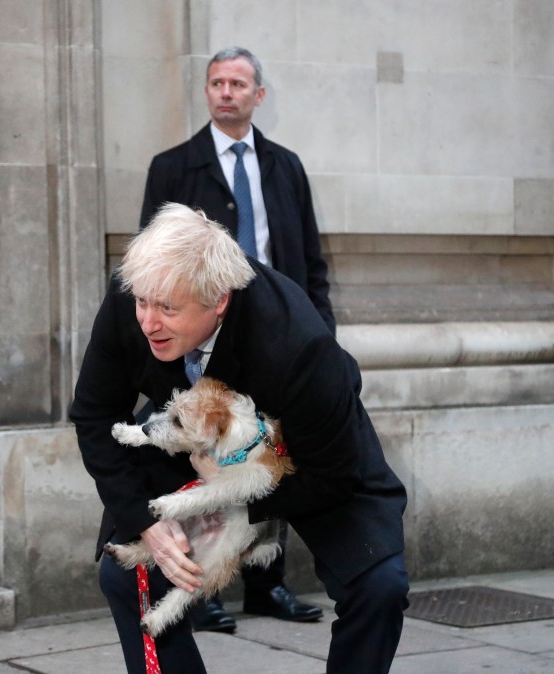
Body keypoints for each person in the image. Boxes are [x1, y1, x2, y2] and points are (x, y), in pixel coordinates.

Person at [70, 204, 409, 674]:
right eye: (143, 303)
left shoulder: (300, 347)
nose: (148, 322)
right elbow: (93, 412)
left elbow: (333, 474)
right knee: (127, 571)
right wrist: (144, 522)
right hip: (191, 429)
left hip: (304, 450)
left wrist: (237, 501)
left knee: (379, 584)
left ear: (220, 300)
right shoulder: (140, 292)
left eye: (168, 308)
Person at [139, 46, 333, 631]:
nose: (227, 91)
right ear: (206, 92)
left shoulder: (286, 165)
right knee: (208, 458)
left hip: (275, 338)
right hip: (208, 336)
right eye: (217, 82)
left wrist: (322, 333)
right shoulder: (173, 165)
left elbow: (309, 259)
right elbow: (152, 262)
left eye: (238, 83)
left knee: (271, 459)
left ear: (258, 96)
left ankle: (266, 584)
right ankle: (203, 585)